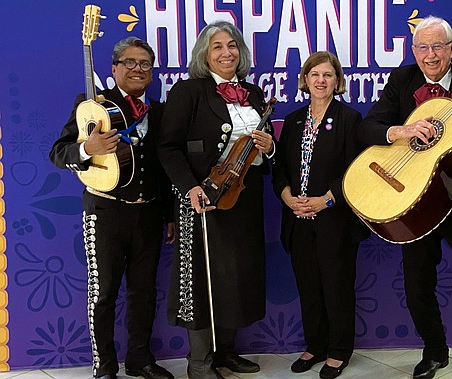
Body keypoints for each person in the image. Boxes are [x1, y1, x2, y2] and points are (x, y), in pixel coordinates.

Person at [357, 16, 452, 379]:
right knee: (416, 284)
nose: (430, 55)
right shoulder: (402, 79)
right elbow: (368, 127)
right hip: (416, 201)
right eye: (422, 47)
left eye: (438, 46)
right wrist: (402, 130)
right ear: (413, 50)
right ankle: (435, 350)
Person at [50, 37, 175, 379]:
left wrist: (168, 215)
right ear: (115, 68)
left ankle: (140, 358)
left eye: (145, 64)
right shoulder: (92, 105)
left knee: (144, 291)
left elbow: (165, 169)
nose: (138, 70)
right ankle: (103, 364)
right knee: (103, 291)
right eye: (130, 63)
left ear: (151, 73)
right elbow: (58, 153)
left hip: (148, 213)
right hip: (105, 211)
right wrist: (87, 148)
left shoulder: (159, 111)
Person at [158, 21, 274, 379]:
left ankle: (226, 353)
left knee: (236, 276)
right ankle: (200, 362)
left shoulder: (254, 93)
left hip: (244, 199)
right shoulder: (189, 91)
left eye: (232, 46)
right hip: (203, 199)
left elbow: (264, 144)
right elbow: (168, 147)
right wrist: (190, 187)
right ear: (204, 55)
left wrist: (269, 148)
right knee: (202, 278)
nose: (227, 53)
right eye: (218, 47)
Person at [272, 52, 369, 379]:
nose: (321, 81)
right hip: (297, 220)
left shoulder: (349, 118)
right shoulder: (294, 119)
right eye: (315, 75)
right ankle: (316, 344)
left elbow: (356, 172)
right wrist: (288, 198)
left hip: (334, 220)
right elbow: (280, 170)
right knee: (309, 286)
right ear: (305, 80)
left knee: (336, 286)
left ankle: (339, 350)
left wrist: (325, 200)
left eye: (328, 75)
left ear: (337, 81)